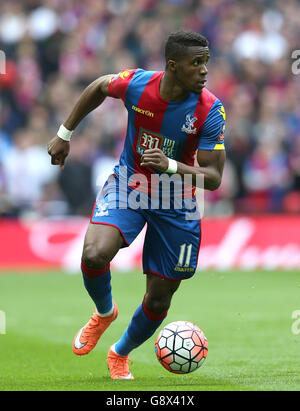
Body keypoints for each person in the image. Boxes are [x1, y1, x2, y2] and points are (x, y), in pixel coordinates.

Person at [47, 31, 226, 380]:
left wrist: (172, 165)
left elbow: (215, 177)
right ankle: (104, 313)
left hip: (177, 203)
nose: (204, 71)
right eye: (196, 63)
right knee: (93, 254)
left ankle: (120, 353)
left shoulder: (210, 109)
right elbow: (100, 86)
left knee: (159, 300)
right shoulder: (137, 85)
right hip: (130, 185)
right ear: (173, 66)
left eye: (206, 62)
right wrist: (64, 134)